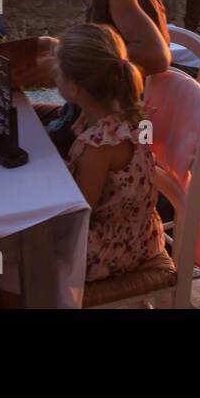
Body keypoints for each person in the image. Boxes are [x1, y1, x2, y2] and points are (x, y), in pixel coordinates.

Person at [29, 0, 171, 154]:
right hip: (106, 114)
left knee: (21, 135)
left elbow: (156, 56)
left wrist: (70, 63)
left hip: (115, 129)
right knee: (23, 113)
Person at [55, 24, 166, 282]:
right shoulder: (122, 114)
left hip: (113, 250)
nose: (53, 75)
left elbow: (80, 215)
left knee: (17, 262)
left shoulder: (100, 146)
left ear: (73, 89)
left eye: (56, 71)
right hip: (138, 233)